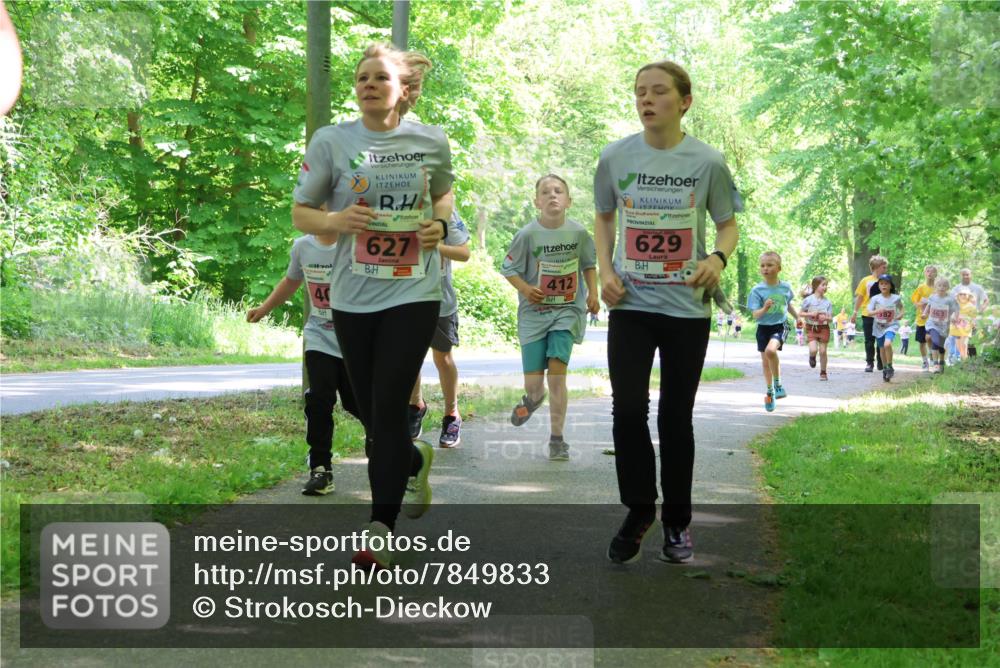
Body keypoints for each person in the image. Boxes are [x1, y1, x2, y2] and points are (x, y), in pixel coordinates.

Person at [291, 42, 454, 569]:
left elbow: (445, 199)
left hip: (414, 292)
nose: (366, 84)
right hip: (353, 296)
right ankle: (409, 457)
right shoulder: (333, 141)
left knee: (386, 402)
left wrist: (441, 226)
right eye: (361, 78)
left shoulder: (430, 141)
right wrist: (336, 223)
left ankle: (380, 524)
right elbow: (302, 213)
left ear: (402, 90)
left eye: (379, 77)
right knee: (368, 409)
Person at [595, 60, 739, 565]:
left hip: (686, 310)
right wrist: (605, 269)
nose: (647, 100)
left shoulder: (708, 161)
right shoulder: (615, 157)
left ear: (685, 102)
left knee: (675, 416)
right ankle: (640, 510)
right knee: (628, 410)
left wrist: (716, 259)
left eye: (658, 92)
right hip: (631, 305)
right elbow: (604, 216)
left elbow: (727, 225)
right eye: (639, 92)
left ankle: (678, 522)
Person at [247, 233, 364, 495]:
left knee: (357, 403)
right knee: (319, 400)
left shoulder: (356, 243)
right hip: (319, 336)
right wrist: (264, 309)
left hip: (355, 340)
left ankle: (388, 444)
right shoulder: (303, 247)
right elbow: (291, 281)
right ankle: (321, 469)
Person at [502, 174, 598, 461]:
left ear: (569, 200)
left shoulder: (579, 233)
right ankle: (532, 400)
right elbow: (509, 269)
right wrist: (525, 289)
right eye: (545, 192)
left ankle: (557, 439)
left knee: (557, 376)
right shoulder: (527, 235)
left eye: (558, 191)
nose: (552, 196)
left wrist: (594, 293)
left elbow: (589, 265)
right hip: (534, 314)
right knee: (534, 383)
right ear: (536, 201)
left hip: (566, 312)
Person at [407, 211, 470, 448]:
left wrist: (435, 247)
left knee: (442, 358)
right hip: (405, 296)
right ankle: (415, 405)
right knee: (410, 356)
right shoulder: (398, 207)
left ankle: (452, 414)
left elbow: (464, 253)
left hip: (440, 300)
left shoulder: (446, 213)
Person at [748, 251, 798, 411]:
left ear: (779, 268)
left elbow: (787, 304)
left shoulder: (785, 287)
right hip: (763, 328)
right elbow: (755, 314)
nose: (765, 268)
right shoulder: (757, 290)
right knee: (765, 362)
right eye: (762, 265)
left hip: (780, 325)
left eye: (769, 265)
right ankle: (770, 393)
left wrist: (798, 317)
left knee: (770, 351)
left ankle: (778, 384)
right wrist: (765, 308)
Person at [851, 254, 888, 373]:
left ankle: (881, 362)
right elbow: (860, 298)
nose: (885, 269)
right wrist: (855, 312)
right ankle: (869, 363)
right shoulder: (866, 281)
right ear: (876, 267)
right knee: (869, 340)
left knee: (880, 339)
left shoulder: (886, 281)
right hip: (868, 314)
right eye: (883, 267)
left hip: (882, 315)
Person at [867, 274, 903, 382]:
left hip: (891, 325)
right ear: (878, 286)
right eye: (881, 284)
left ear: (890, 286)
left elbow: (901, 308)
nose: (884, 286)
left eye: (886, 283)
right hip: (879, 327)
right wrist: (877, 311)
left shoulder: (896, 298)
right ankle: (885, 368)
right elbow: (869, 312)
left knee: (887, 344)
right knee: (881, 348)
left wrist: (901, 314)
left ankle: (890, 365)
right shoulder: (875, 299)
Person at [922, 277, 959, 373]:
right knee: (935, 341)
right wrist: (925, 313)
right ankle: (935, 364)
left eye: (944, 286)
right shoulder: (932, 297)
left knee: (941, 346)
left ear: (947, 287)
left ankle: (942, 361)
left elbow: (956, 309)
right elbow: (928, 306)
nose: (942, 288)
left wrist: (955, 317)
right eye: (939, 285)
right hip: (932, 324)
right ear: (936, 286)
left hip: (944, 326)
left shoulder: (950, 299)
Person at [800, 275, 832, 380]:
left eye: (826, 285)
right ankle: (812, 356)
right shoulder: (808, 300)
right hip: (811, 328)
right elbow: (800, 313)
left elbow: (830, 318)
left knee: (823, 351)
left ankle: (823, 372)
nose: (825, 287)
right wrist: (811, 314)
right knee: (813, 350)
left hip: (824, 328)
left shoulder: (827, 302)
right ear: (816, 286)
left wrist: (825, 318)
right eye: (823, 285)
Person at [910, 264, 938, 371]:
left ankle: (932, 354)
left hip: (934, 319)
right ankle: (925, 361)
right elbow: (915, 301)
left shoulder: (937, 288)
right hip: (921, 319)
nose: (930, 273)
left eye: (932, 271)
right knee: (922, 342)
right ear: (925, 274)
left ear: (936, 274)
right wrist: (921, 305)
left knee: (930, 338)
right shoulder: (921, 288)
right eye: (927, 271)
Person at [950, 287, 977, 361]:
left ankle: (965, 362)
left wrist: (974, 324)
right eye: (961, 294)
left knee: (964, 344)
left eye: (965, 294)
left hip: (966, 329)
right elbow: (950, 314)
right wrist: (952, 318)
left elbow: (974, 318)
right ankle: (964, 361)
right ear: (958, 296)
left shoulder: (971, 306)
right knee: (959, 347)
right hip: (956, 328)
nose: (962, 296)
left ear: (968, 296)